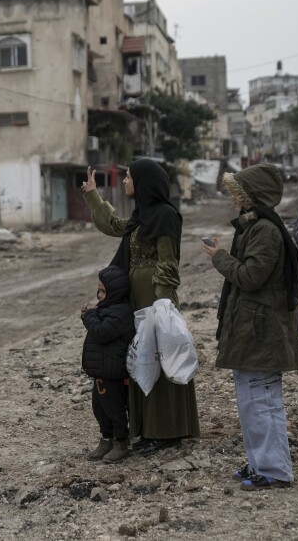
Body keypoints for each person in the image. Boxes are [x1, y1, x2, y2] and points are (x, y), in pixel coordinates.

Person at [81, 160, 200, 454]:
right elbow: (115, 226)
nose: (124, 182)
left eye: (129, 177)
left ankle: (167, 431)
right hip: (136, 297)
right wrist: (93, 194)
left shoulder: (166, 216)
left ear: (143, 182)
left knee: (160, 357)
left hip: (154, 299)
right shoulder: (141, 216)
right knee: (139, 359)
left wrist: (162, 305)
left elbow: (167, 263)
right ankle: (145, 428)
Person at [202, 163, 298, 491]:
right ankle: (261, 462)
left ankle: (275, 469)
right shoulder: (256, 227)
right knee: (252, 401)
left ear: (252, 196)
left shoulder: (265, 231)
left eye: (237, 194)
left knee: (262, 401)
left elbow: (250, 276)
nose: (233, 200)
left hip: (262, 330)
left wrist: (219, 258)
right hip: (254, 328)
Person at [81, 265, 135, 464]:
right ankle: (106, 438)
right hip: (101, 370)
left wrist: (88, 316)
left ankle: (120, 442)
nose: (100, 295)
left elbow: (102, 332)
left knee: (114, 408)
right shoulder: (107, 309)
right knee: (99, 407)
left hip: (112, 371)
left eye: (103, 291)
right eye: (99, 291)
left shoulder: (120, 312)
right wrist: (91, 316)